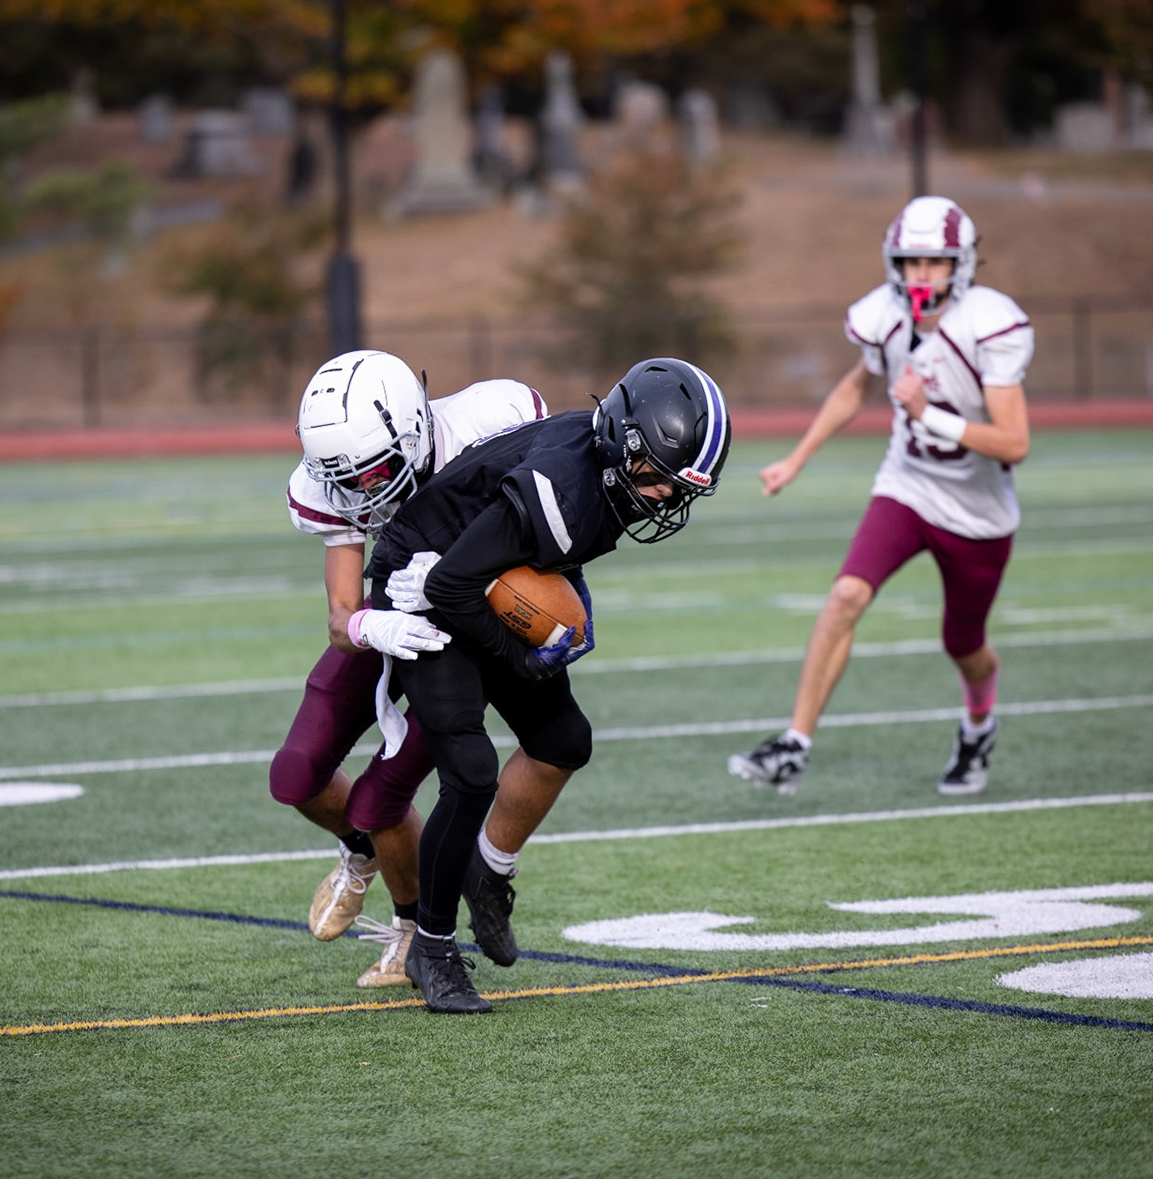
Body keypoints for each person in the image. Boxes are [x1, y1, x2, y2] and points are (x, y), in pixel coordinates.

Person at [373, 357, 731, 1013]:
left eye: (678, 486)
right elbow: (448, 584)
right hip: (420, 586)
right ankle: (432, 947)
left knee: (563, 739)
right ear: (623, 441)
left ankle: (488, 870)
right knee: (471, 772)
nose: (664, 497)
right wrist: (520, 657)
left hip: (478, 575)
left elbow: (534, 555)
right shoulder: (564, 488)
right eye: (658, 476)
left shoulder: (606, 472)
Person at [729, 195, 1032, 799]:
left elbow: (1014, 442)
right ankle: (795, 743)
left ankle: (979, 727)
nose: (921, 275)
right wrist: (796, 458)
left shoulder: (990, 324)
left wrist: (928, 414)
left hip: (977, 513)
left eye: (935, 262)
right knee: (845, 595)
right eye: (911, 262)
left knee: (964, 645)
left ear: (961, 264)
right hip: (908, 486)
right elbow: (856, 386)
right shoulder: (884, 317)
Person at [273, 349, 546, 988]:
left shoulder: (488, 425)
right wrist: (372, 626)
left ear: (415, 432)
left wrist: (469, 579)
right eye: (345, 479)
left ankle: (411, 929)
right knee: (296, 774)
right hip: (393, 606)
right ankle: (361, 851)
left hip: (466, 629)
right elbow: (342, 619)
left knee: (379, 799)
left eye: (372, 472)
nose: (362, 491)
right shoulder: (338, 482)